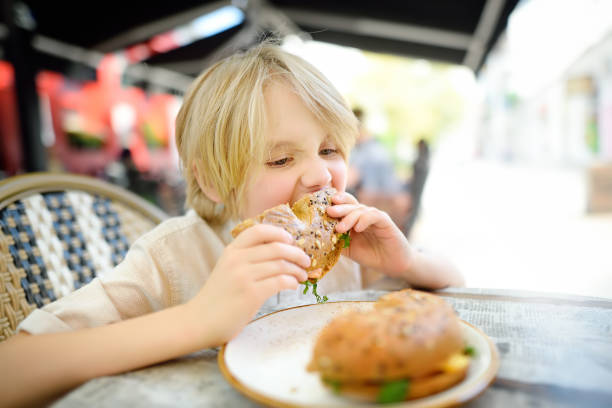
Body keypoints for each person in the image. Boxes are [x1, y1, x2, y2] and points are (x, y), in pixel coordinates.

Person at [0, 43, 463, 407]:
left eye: (329, 150)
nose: (321, 176)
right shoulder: (174, 257)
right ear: (211, 180)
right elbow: (13, 372)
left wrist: (407, 260)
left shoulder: (348, 253)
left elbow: (455, 291)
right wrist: (199, 319)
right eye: (281, 158)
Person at [347, 107, 411, 230]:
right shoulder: (378, 147)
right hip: (393, 206)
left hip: (381, 207)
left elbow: (350, 179)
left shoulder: (365, 152)